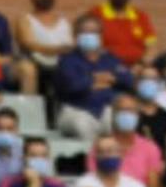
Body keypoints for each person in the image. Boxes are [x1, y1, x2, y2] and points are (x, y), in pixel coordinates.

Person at [55, 14, 133, 142]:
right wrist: (97, 80)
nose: (89, 35)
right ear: (75, 35)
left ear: (100, 35)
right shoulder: (67, 60)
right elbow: (73, 86)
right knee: (83, 124)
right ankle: (90, 160)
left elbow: (128, 80)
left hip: (107, 108)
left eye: (93, 32)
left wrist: (110, 79)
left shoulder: (110, 59)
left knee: (119, 119)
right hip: (76, 110)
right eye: (84, 32)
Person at [14, 0, 73, 90]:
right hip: (34, 62)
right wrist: (57, 50)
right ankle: (29, 107)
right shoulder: (25, 19)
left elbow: (69, 47)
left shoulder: (64, 22)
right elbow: (29, 44)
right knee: (28, 70)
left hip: (61, 63)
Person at [94, 93, 163, 187]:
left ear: (138, 116)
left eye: (131, 111)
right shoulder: (100, 147)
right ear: (113, 115)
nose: (126, 115)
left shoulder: (150, 149)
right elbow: (94, 183)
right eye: (122, 111)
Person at [88, 0, 156, 67]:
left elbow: (151, 47)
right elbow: (91, 48)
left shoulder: (141, 16)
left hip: (137, 69)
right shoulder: (96, 14)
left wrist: (142, 65)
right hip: (107, 67)